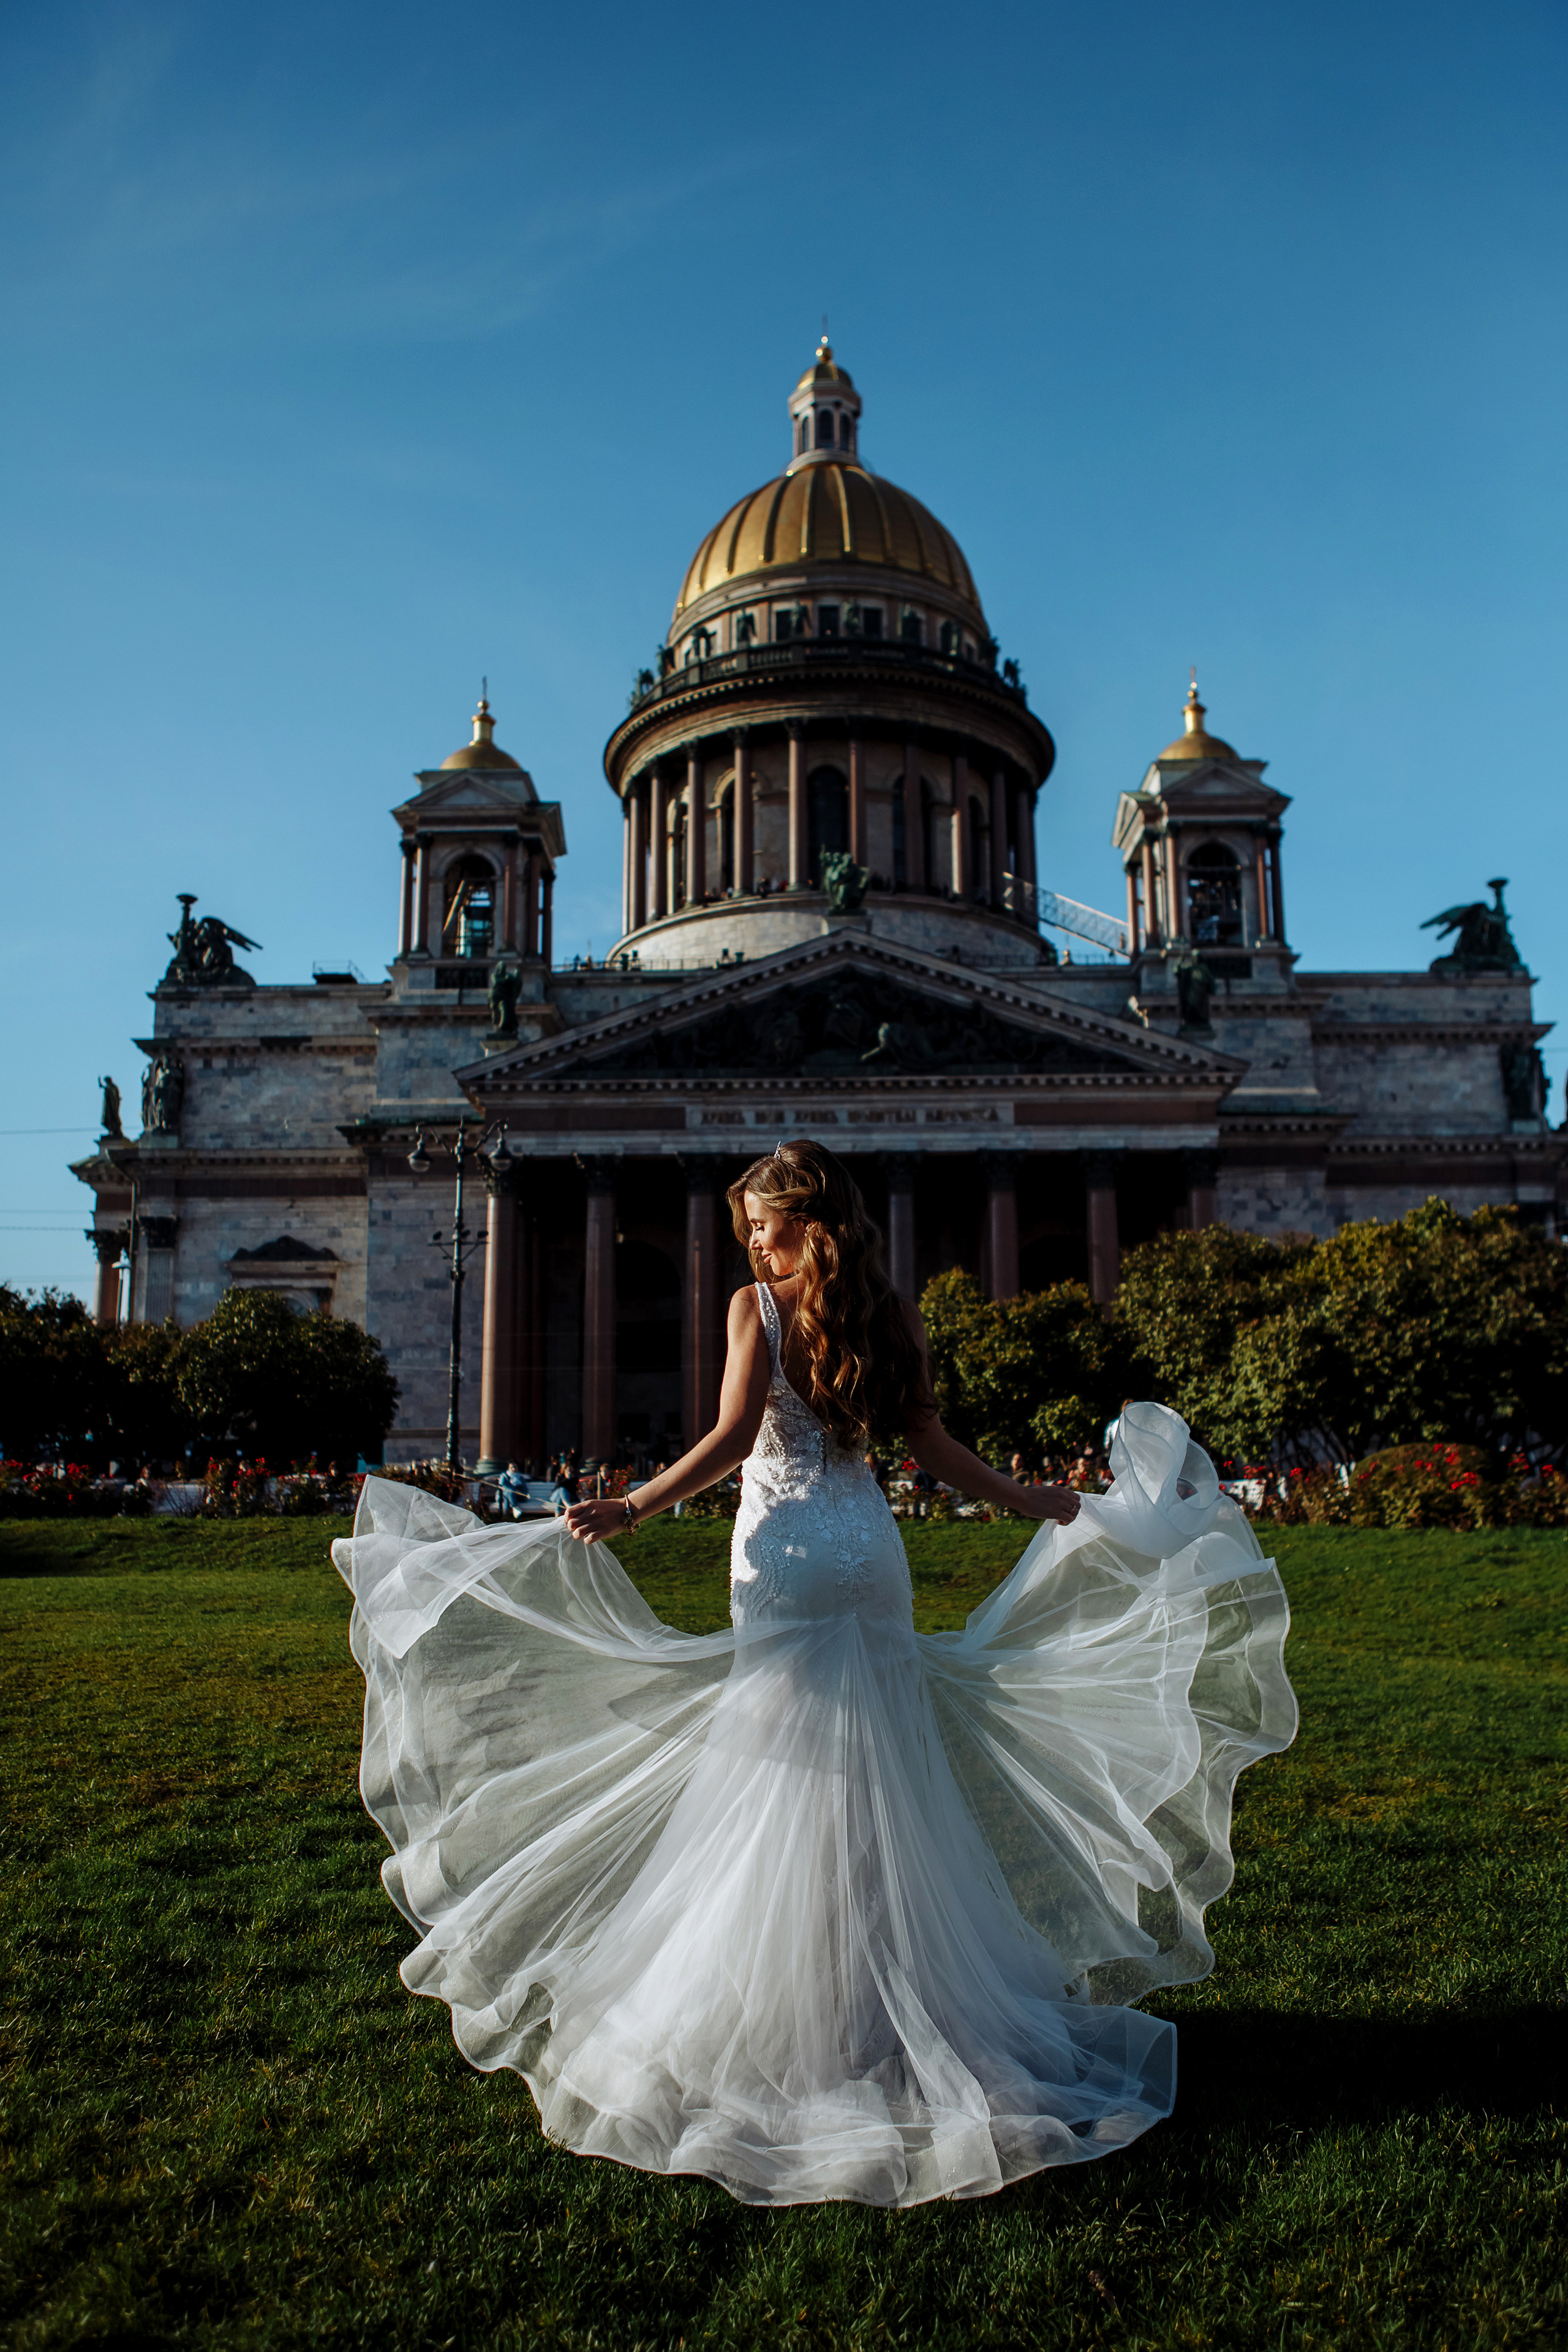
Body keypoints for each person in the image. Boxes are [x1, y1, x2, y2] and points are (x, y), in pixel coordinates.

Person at [335, 1139, 1295, 2209]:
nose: (753, 1242)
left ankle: (802, 2017)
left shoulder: (758, 1310)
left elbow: (736, 1435)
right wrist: (1027, 1500)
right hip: (868, 1556)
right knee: (879, 1779)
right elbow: (927, 1441)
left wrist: (633, 1505)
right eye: (747, 1229)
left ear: (808, 1224)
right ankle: (885, 2010)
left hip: (785, 1556)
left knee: (783, 1775)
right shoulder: (888, 1311)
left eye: (765, 1226)